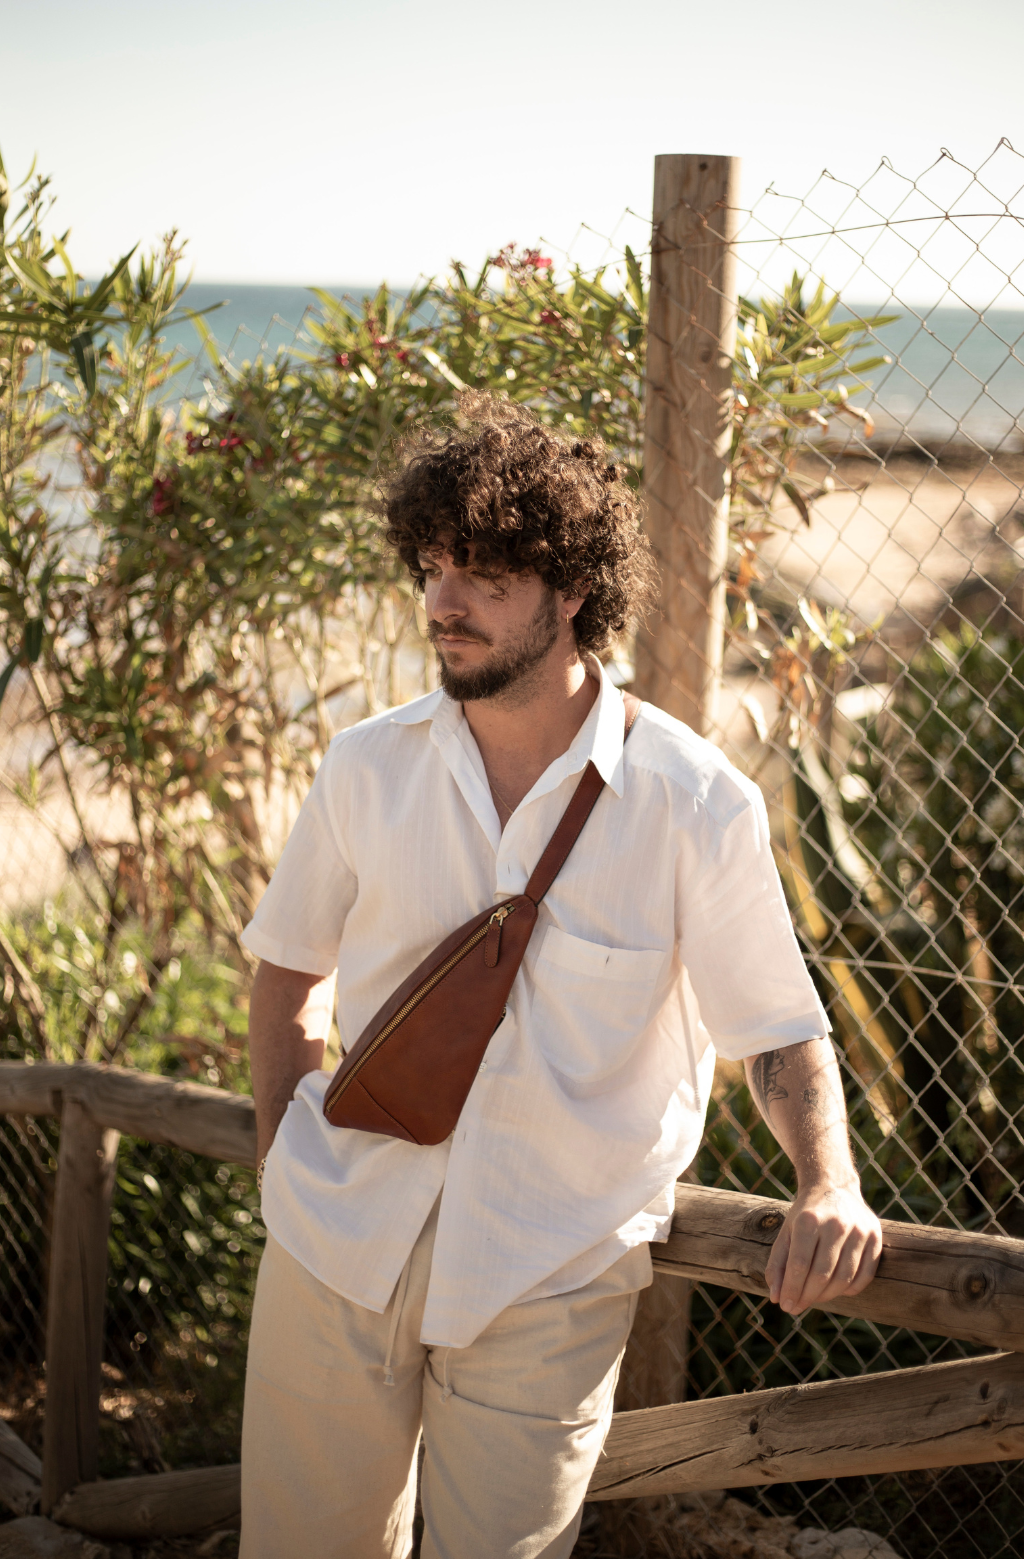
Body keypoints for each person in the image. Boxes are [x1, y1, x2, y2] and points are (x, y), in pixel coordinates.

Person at [238, 394, 882, 1559]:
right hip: (336, 1242)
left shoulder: (693, 802)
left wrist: (826, 1181)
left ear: (574, 588)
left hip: (546, 1278)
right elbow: (288, 964)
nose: (443, 602)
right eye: (433, 569)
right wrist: (288, 1151)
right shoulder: (366, 767)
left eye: (484, 576)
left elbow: (777, 1027)